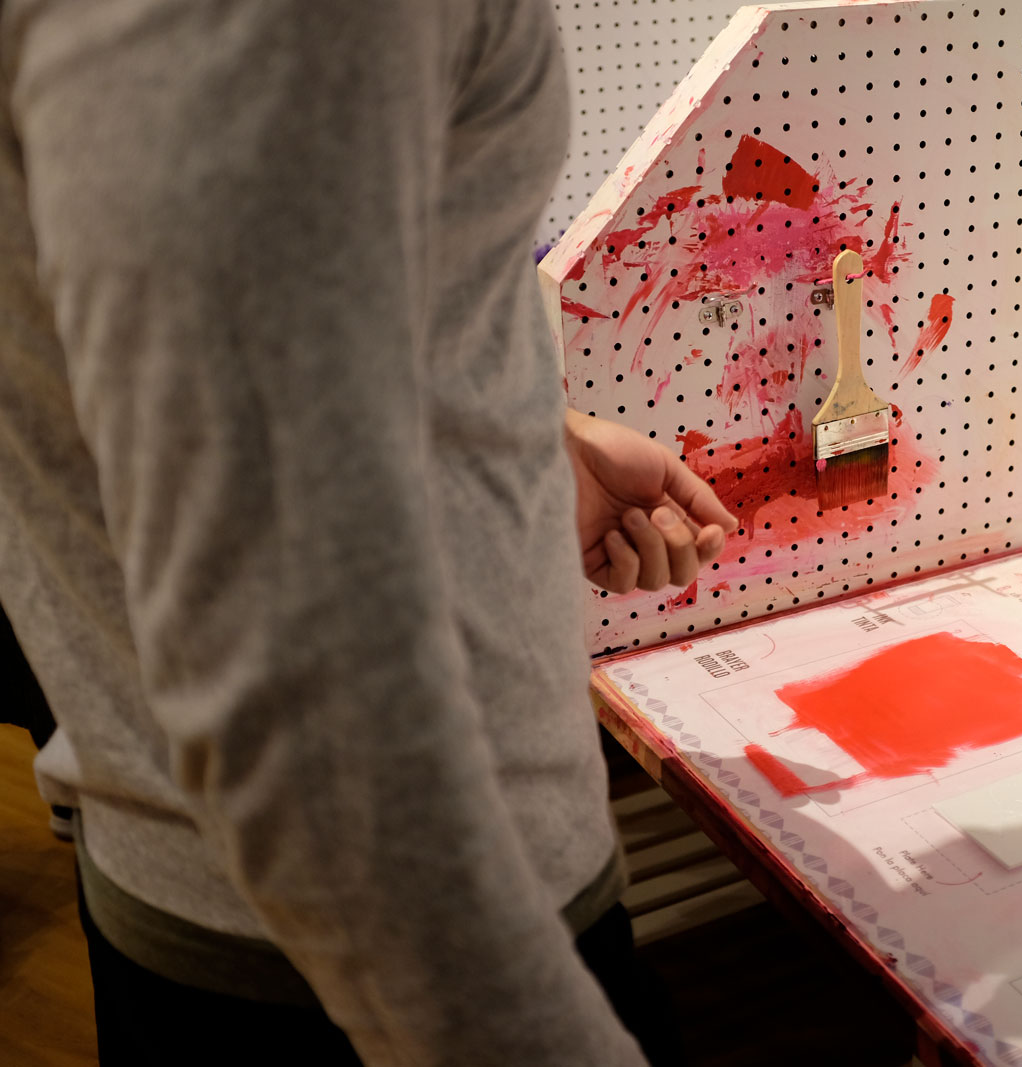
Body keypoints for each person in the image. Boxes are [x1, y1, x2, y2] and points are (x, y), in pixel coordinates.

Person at [0, 2, 736, 1064]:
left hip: (263, 899)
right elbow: (300, 691)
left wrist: (513, 443)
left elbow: (196, 364)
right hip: (377, 948)